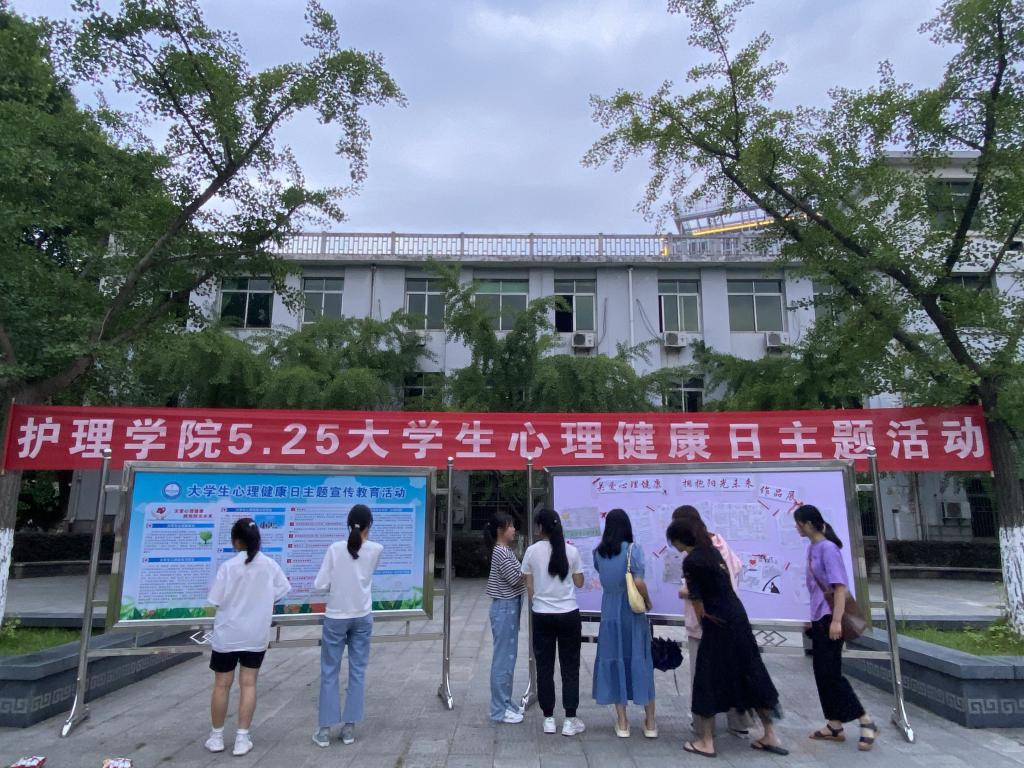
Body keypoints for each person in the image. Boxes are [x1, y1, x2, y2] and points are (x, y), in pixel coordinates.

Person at [666, 517, 787, 758]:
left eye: (673, 541)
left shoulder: (692, 560)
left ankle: (706, 741)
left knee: (707, 678)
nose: (674, 546)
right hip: (737, 617)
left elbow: (696, 599)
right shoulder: (713, 552)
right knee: (750, 672)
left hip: (717, 622)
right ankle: (770, 733)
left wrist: (704, 624)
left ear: (680, 539)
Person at [795, 504, 879, 751]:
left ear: (808, 524)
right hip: (820, 617)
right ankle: (834, 724)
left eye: (798, 523)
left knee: (831, 673)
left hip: (831, 618)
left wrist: (835, 621)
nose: (797, 528)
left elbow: (839, 587)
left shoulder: (828, 549)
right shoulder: (813, 548)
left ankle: (865, 720)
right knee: (822, 672)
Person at [205, 517, 291, 756]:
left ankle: (216, 737)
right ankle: (242, 738)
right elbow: (282, 590)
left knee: (221, 684)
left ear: (236, 541)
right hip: (255, 634)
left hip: (227, 634)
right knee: (249, 683)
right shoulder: (270, 565)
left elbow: (215, 600)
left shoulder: (228, 567)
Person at [672, 505, 754, 738]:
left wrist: (683, 591)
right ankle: (739, 721)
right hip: (729, 617)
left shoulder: (694, 554)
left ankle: (703, 728)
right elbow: (736, 568)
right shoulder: (720, 543)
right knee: (732, 671)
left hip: (703, 622)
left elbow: (696, 590)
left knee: (703, 677)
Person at [313, 504, 383, 748]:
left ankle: (324, 730)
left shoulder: (335, 549)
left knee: (329, 671)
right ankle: (349, 728)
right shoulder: (376, 549)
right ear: (369, 525)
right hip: (362, 615)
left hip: (336, 616)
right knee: (357, 671)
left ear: (348, 524)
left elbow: (320, 585)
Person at [592, 508, 657, 738]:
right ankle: (650, 723)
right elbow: (638, 581)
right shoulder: (633, 549)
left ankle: (622, 722)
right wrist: (648, 601)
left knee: (615, 660)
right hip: (632, 613)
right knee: (640, 660)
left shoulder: (598, 553)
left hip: (609, 612)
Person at [521, 508, 586, 737]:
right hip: (569, 614)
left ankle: (548, 718)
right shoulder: (572, 551)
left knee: (544, 666)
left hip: (542, 615)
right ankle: (570, 719)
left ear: (540, 527)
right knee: (570, 667)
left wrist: (539, 601)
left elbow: (529, 586)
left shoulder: (531, 551)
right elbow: (579, 582)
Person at [485, 512, 526, 724]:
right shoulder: (501, 551)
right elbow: (515, 579)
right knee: (503, 660)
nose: (514, 530)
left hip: (508, 607)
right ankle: (499, 710)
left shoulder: (504, 550)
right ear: (501, 530)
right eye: (510, 526)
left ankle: (506, 702)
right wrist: (531, 569)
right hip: (505, 607)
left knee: (508, 658)